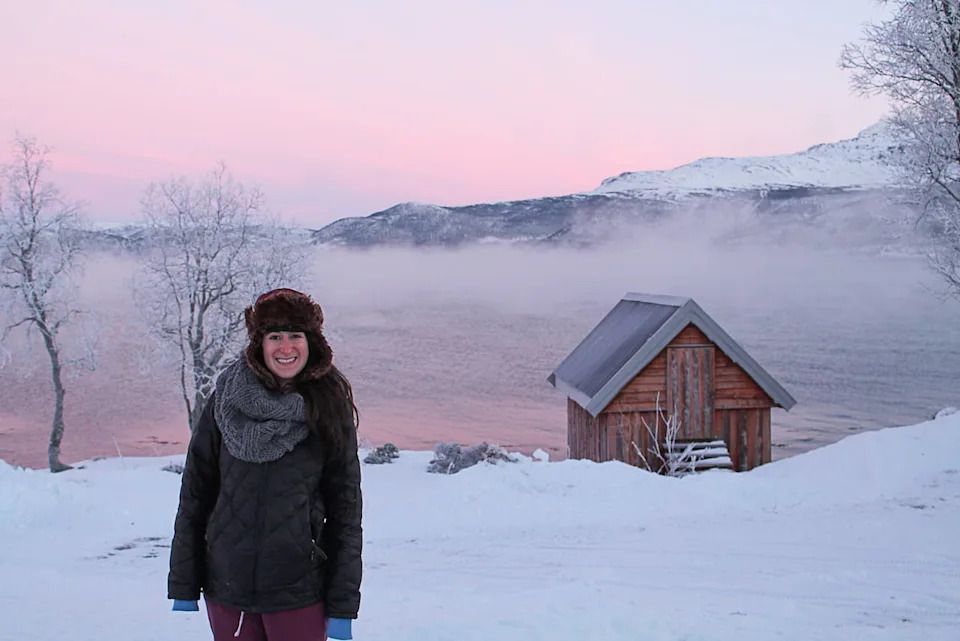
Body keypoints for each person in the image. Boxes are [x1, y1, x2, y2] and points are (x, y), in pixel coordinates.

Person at [167, 288, 362, 641]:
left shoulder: (329, 406)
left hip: (299, 591)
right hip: (227, 588)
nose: (285, 348)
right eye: (274, 337)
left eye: (295, 336)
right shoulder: (225, 399)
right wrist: (184, 581)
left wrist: (343, 605)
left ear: (311, 341)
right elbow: (196, 491)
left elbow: (346, 512)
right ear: (259, 343)